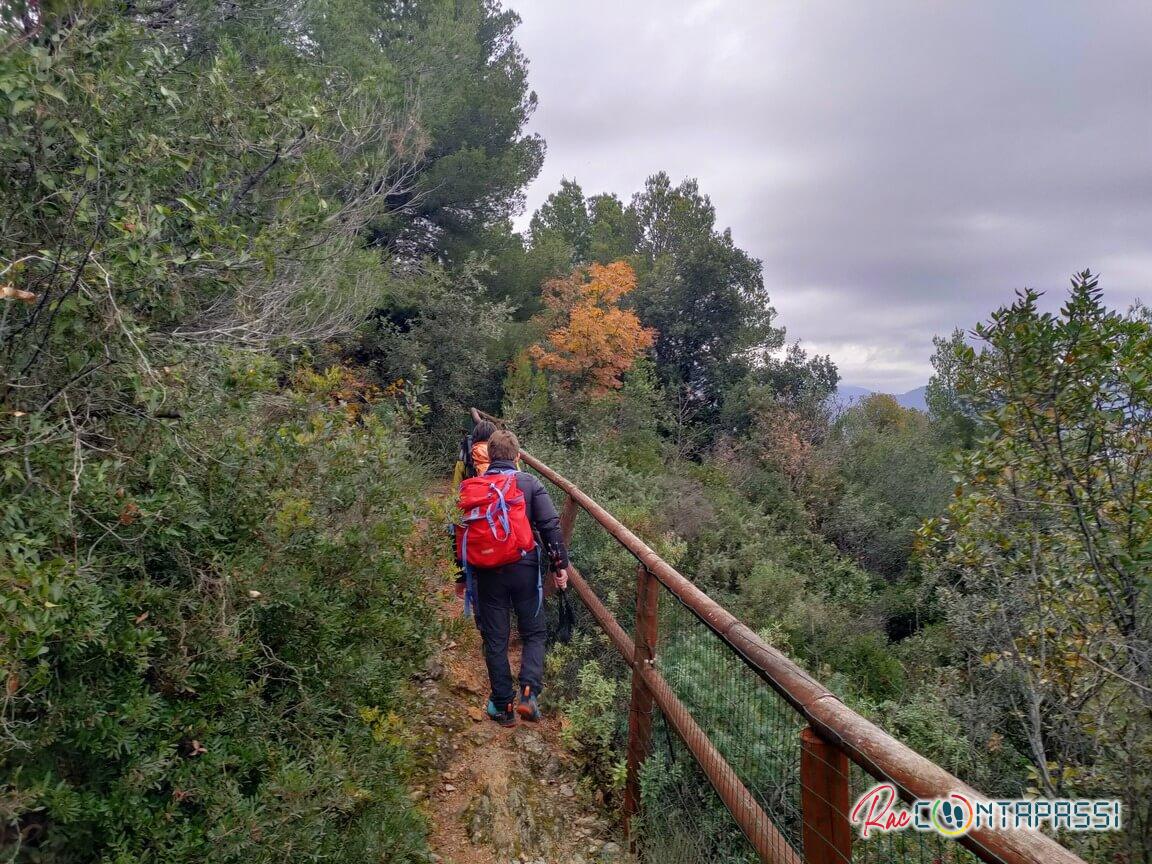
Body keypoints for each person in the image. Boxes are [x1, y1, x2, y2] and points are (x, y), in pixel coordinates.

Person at [463, 429, 569, 726]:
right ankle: (528, 693)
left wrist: (462, 578)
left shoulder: (474, 486)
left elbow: (460, 533)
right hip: (524, 567)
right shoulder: (529, 482)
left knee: (495, 638)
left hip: (486, 571)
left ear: (489, 456)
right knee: (534, 633)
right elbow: (550, 527)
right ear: (518, 457)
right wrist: (559, 567)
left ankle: (503, 707)